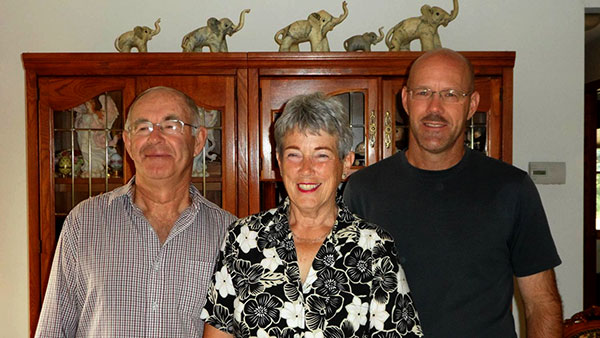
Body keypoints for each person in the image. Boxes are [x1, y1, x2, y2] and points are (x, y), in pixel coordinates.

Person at [343, 48, 563, 337]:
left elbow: (541, 304)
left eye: (450, 94)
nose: (435, 108)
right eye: (424, 92)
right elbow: (347, 303)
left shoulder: (512, 189)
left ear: (472, 105)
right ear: (406, 99)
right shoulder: (363, 189)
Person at [201, 92, 423, 337]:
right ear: (279, 162)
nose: (306, 169)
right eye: (294, 155)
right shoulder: (243, 239)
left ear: (346, 163)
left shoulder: (374, 247)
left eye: (321, 155)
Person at [35, 86, 237, 337]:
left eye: (171, 125)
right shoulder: (84, 222)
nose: (155, 138)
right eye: (142, 128)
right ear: (128, 143)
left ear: (198, 140)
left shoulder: (231, 235)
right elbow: (54, 329)